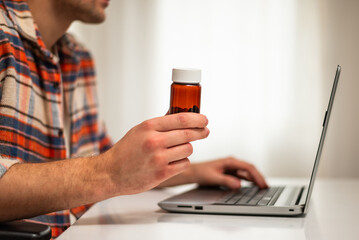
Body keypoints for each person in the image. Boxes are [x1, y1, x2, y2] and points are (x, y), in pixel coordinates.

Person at [0, 0, 268, 238]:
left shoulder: (77, 57)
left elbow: (98, 159)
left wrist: (193, 171)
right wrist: (108, 171)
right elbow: (104, 169)